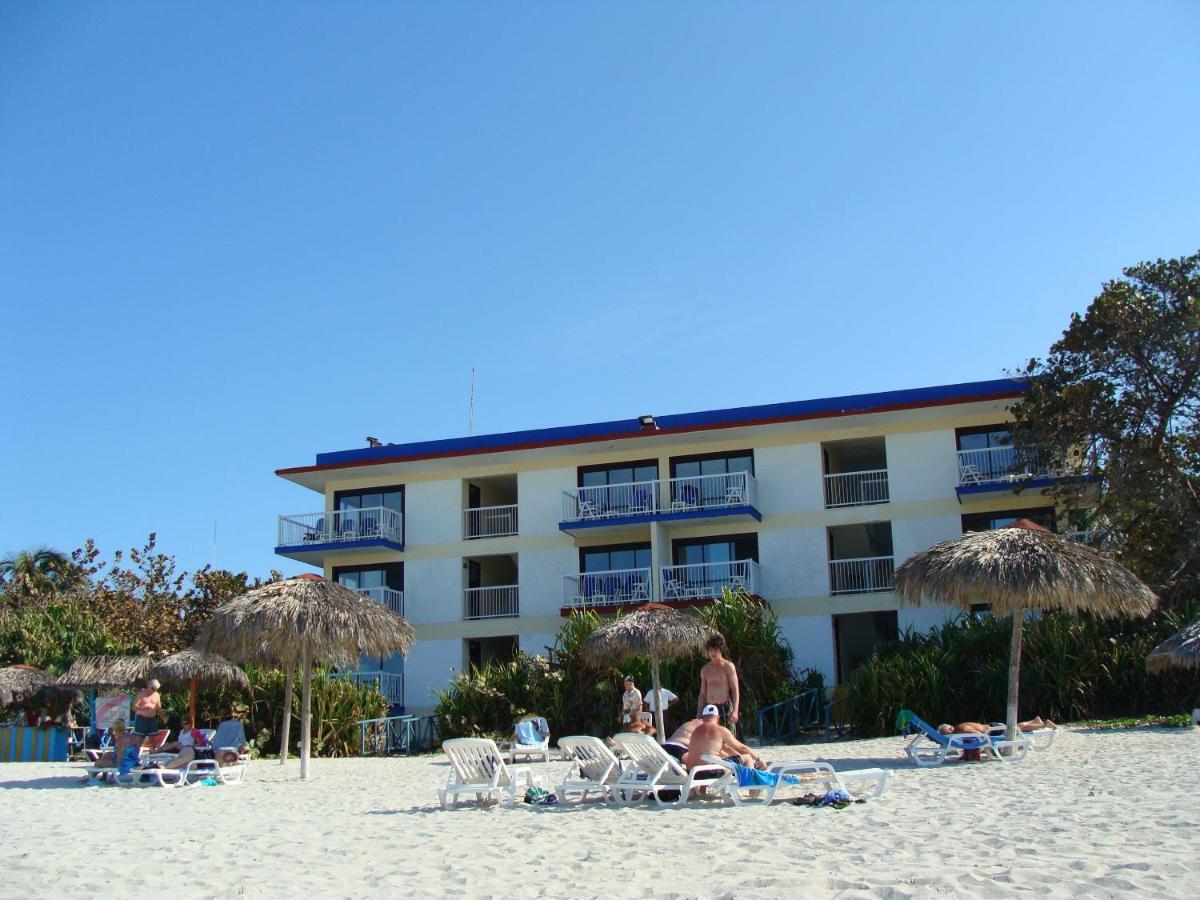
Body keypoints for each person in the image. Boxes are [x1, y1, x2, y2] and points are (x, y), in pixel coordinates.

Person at [682, 704, 766, 771]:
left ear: (703, 718)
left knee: (715, 759)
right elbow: (742, 748)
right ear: (718, 718)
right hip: (710, 771)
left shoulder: (695, 731)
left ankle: (703, 791)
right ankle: (752, 791)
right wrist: (758, 760)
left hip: (692, 772)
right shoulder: (720, 730)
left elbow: (726, 749)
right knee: (747, 758)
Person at [697, 634, 740, 730]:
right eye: (710, 650)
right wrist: (699, 712)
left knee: (728, 737)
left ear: (721, 650)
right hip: (710, 708)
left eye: (715, 650)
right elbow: (703, 693)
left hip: (725, 707)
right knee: (711, 738)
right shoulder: (705, 669)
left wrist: (735, 711)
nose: (713, 653)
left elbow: (735, 689)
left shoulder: (728, 666)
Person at [130, 678, 162, 748]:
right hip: (142, 719)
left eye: (155, 689)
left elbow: (159, 707)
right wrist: (143, 708)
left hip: (152, 719)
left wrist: (163, 715)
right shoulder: (141, 694)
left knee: (153, 740)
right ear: (149, 685)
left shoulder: (157, 695)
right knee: (139, 740)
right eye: (153, 688)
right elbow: (134, 708)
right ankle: (135, 756)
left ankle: (153, 755)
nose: (154, 690)